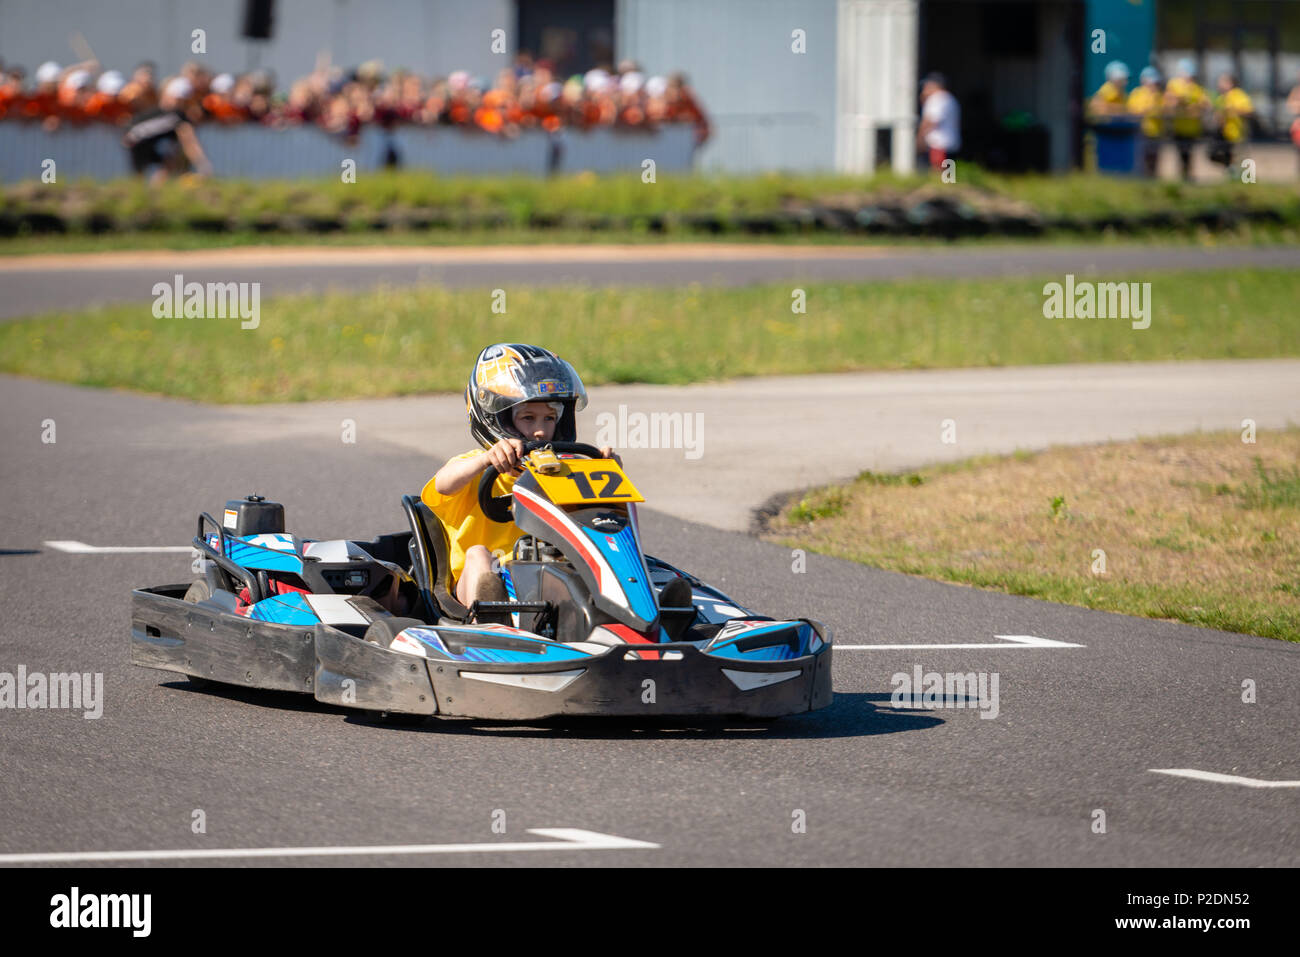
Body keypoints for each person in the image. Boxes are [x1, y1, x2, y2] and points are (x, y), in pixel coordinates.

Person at [421, 344, 619, 610]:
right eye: (528, 418)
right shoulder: (474, 467)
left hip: (545, 577)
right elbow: (444, 484)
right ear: (496, 418)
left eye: (549, 418)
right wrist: (485, 460)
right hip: (483, 582)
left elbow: (597, 520)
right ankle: (492, 618)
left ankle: (647, 606)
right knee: (478, 554)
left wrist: (606, 472)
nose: (540, 431)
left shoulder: (564, 471)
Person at [1164, 58, 1210, 181]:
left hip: (1192, 127)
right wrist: (1182, 101)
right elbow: (1169, 101)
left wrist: (1194, 107)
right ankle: (1183, 175)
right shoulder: (1174, 84)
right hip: (1179, 126)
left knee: (1188, 153)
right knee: (1181, 152)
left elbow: (1205, 104)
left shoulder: (1196, 88)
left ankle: (1187, 175)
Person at [1210, 72, 1254, 175]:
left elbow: (1249, 111)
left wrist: (1232, 110)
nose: (1219, 85)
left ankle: (1243, 180)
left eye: (1222, 82)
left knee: (1240, 160)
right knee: (1216, 155)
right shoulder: (1222, 98)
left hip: (1237, 134)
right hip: (1225, 135)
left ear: (1230, 83)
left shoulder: (1238, 94)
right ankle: (1232, 175)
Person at [917, 72, 960, 171]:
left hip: (939, 145)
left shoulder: (937, 98)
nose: (924, 89)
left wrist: (919, 138)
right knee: (948, 176)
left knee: (939, 175)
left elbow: (931, 121)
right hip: (949, 144)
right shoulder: (949, 98)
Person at [1127, 66, 1165, 177]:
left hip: (1156, 133)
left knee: (1154, 161)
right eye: (1151, 81)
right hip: (1141, 133)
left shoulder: (1159, 96)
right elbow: (1132, 112)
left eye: (1155, 82)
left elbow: (1163, 111)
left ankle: (1152, 180)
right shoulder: (1136, 94)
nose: (1153, 85)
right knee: (1141, 161)